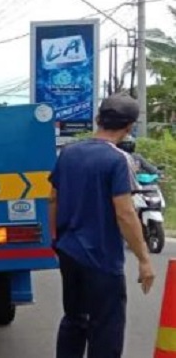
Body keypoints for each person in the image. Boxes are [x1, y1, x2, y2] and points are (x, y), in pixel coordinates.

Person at [49, 94, 155, 358]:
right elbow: (125, 213)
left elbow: (53, 199)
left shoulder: (68, 153)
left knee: (74, 318)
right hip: (102, 258)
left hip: (69, 252)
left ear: (98, 119)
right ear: (129, 127)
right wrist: (144, 259)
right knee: (106, 326)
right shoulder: (118, 159)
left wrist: (56, 239)